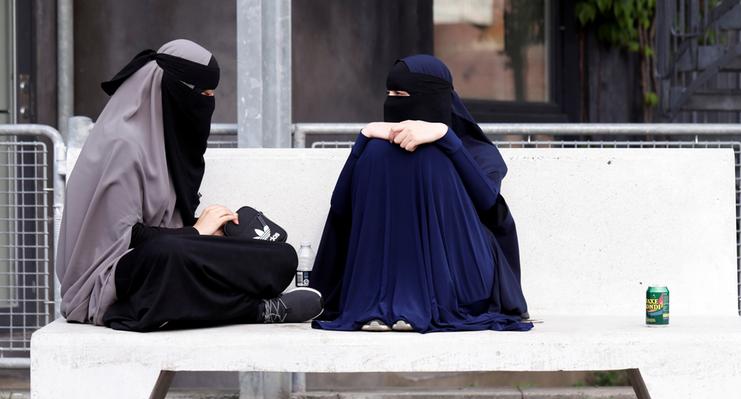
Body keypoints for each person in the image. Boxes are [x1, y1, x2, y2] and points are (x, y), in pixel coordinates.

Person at [57, 39, 321, 332]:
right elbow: (124, 238)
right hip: (108, 280)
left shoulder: (164, 137)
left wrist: (211, 232)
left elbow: (168, 224)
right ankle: (258, 309)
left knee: (281, 257)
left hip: (166, 256)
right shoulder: (123, 143)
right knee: (169, 257)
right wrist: (196, 232)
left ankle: (229, 295)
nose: (207, 103)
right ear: (172, 89)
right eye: (203, 94)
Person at [310, 55, 531, 333]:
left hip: (463, 273)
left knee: (430, 158)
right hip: (386, 270)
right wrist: (363, 140)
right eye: (389, 94)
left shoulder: (476, 150)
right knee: (379, 153)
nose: (392, 102)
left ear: (432, 96)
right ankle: (382, 305)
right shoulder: (379, 151)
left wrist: (445, 136)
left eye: (401, 95)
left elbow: (488, 202)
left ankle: (412, 304)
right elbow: (340, 209)